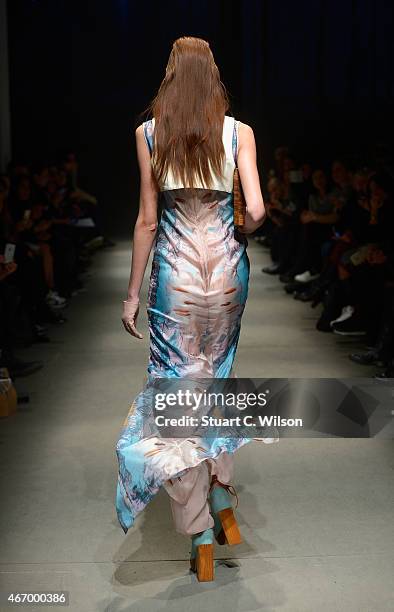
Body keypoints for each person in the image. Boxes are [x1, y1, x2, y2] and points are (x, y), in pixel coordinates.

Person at [115, 36, 268, 582]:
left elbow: (147, 222)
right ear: (215, 77)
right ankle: (223, 495)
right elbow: (254, 208)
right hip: (227, 278)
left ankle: (202, 527)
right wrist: (238, 232)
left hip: (175, 284)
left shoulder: (150, 133)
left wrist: (133, 293)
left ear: (171, 77)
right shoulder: (238, 132)